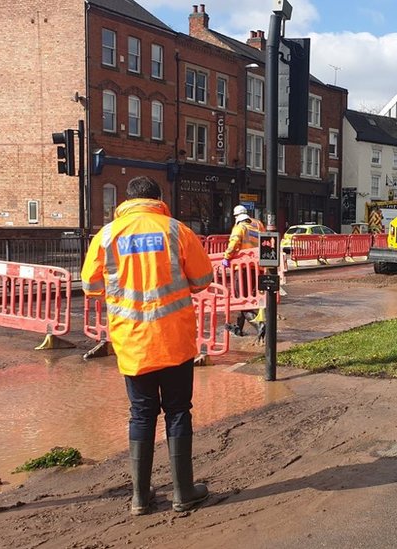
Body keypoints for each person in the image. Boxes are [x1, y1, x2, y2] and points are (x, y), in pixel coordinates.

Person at [81, 176, 214, 516]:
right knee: (178, 410)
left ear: (127, 200)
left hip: (133, 342)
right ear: (158, 198)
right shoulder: (176, 231)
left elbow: (91, 284)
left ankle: (140, 497)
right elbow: (202, 280)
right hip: (173, 340)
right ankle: (183, 492)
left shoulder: (107, 235)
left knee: (141, 414)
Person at [223, 205, 266, 338]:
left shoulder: (240, 227)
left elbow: (234, 243)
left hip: (242, 268)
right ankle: (238, 328)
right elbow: (265, 239)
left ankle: (259, 325)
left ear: (236, 216)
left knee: (241, 300)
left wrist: (226, 257)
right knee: (246, 298)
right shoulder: (258, 224)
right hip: (256, 267)